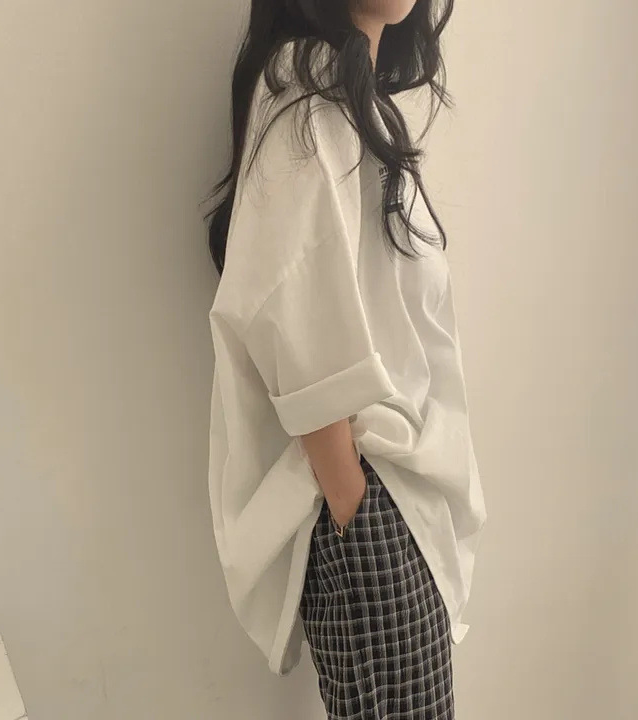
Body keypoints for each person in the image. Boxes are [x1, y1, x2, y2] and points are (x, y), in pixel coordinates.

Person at [204, 2, 487, 717]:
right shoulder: (307, 93)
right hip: (372, 507)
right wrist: (355, 506)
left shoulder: (351, 102)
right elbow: (284, 306)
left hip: (396, 503)